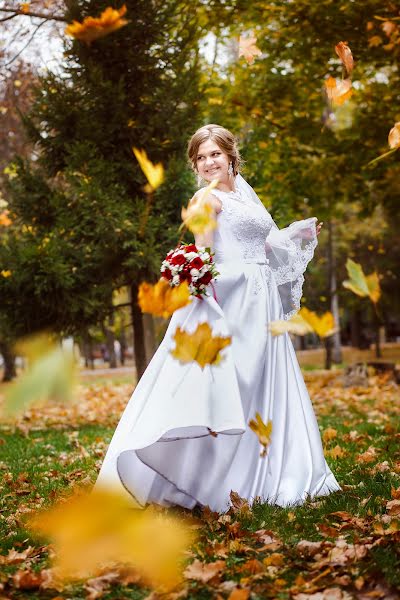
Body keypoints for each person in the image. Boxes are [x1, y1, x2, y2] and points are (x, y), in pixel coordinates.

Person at [94, 124, 341, 511]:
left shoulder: (242, 191)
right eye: (201, 157)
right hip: (233, 299)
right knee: (236, 382)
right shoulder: (205, 200)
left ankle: (273, 471)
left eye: (215, 154)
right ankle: (214, 479)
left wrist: (297, 233)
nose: (209, 163)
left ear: (230, 156)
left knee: (264, 381)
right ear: (196, 165)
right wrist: (206, 301)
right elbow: (204, 257)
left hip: (261, 302)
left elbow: (266, 240)